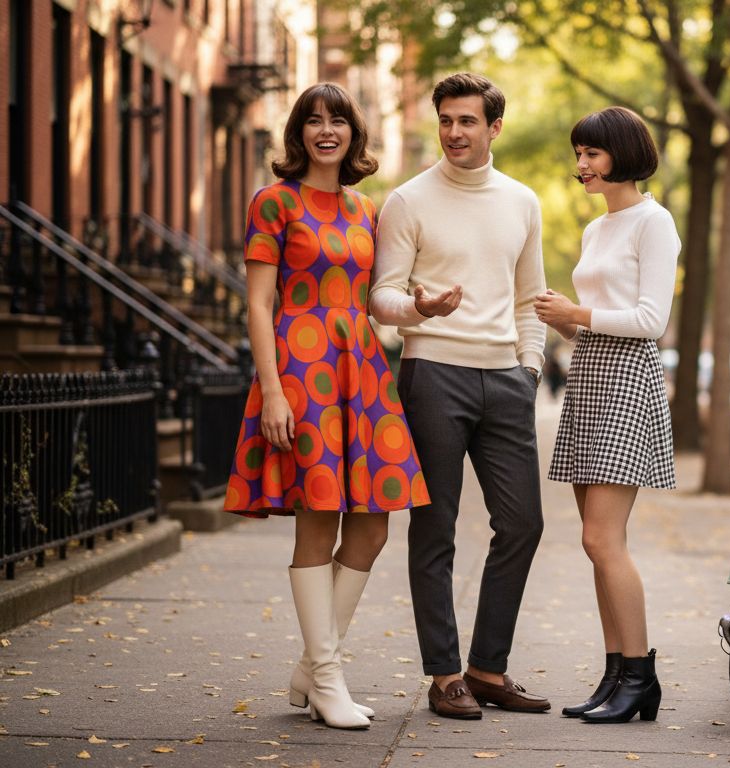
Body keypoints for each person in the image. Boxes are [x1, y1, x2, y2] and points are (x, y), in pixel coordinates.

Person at [224, 82, 431, 730]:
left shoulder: (365, 208)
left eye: (336, 119)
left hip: (361, 369)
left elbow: (377, 298)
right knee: (317, 519)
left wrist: (422, 305)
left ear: (352, 134)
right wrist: (274, 390)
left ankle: (315, 666)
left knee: (372, 524)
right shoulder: (274, 201)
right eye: (312, 120)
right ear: (299, 133)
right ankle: (330, 677)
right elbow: (258, 303)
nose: (325, 130)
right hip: (302, 368)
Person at [369, 73, 550, 721]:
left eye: (467, 121)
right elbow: (381, 297)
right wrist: (419, 306)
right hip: (433, 374)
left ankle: (488, 668)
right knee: (435, 526)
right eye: (446, 120)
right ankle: (445, 673)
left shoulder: (523, 202)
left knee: (523, 522)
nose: (453, 132)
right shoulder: (408, 201)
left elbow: (531, 299)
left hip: (505, 378)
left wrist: (528, 368)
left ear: (494, 127)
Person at [534, 106, 679, 724]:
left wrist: (577, 314)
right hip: (589, 374)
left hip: (627, 379)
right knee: (597, 544)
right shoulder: (598, 231)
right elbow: (596, 311)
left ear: (621, 153)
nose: (581, 166)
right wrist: (566, 322)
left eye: (591, 154)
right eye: (579, 154)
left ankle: (642, 677)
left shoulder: (655, 222)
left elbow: (652, 322)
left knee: (602, 537)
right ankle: (617, 673)